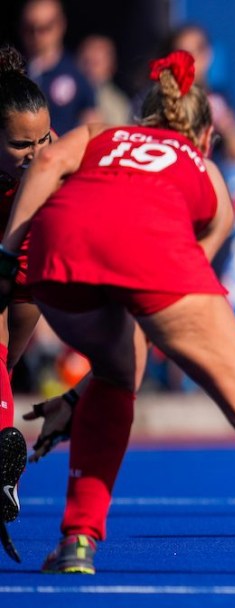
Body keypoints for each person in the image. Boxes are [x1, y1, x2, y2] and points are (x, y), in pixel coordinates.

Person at [0, 50, 235, 575]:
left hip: (56, 252)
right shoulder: (207, 173)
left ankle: (77, 543)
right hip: (151, 258)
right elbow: (164, 303)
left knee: (113, 377)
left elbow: (45, 165)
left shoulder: (98, 135)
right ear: (204, 136)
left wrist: (5, 254)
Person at [0, 44, 54, 557]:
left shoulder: (58, 156)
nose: (37, 154)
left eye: (44, 139)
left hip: (27, 267)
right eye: (20, 145)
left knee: (5, 365)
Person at [168, 23, 235, 162]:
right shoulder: (158, 99)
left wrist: (228, 127)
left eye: (193, 54)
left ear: (208, 55)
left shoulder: (218, 100)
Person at [20, 0, 99, 134]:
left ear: (60, 25)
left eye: (45, 28)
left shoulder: (77, 73)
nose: (36, 36)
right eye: (30, 29)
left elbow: (92, 124)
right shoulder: (14, 72)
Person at [76, 35, 132, 127]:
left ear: (111, 66)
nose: (89, 69)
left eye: (95, 63)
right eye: (86, 62)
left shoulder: (117, 103)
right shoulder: (66, 95)